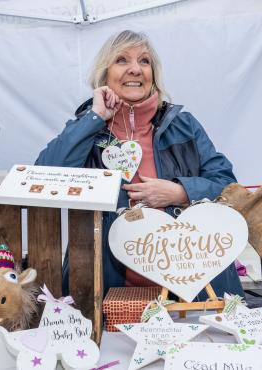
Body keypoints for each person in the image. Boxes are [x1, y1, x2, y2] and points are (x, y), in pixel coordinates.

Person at [35, 30, 244, 300]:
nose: (135, 69)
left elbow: (227, 184)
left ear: (153, 73)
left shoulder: (184, 126)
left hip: (191, 291)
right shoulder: (89, 130)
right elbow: (45, 176)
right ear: (104, 74)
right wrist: (96, 116)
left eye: (144, 61)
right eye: (122, 60)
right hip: (107, 289)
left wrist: (180, 192)